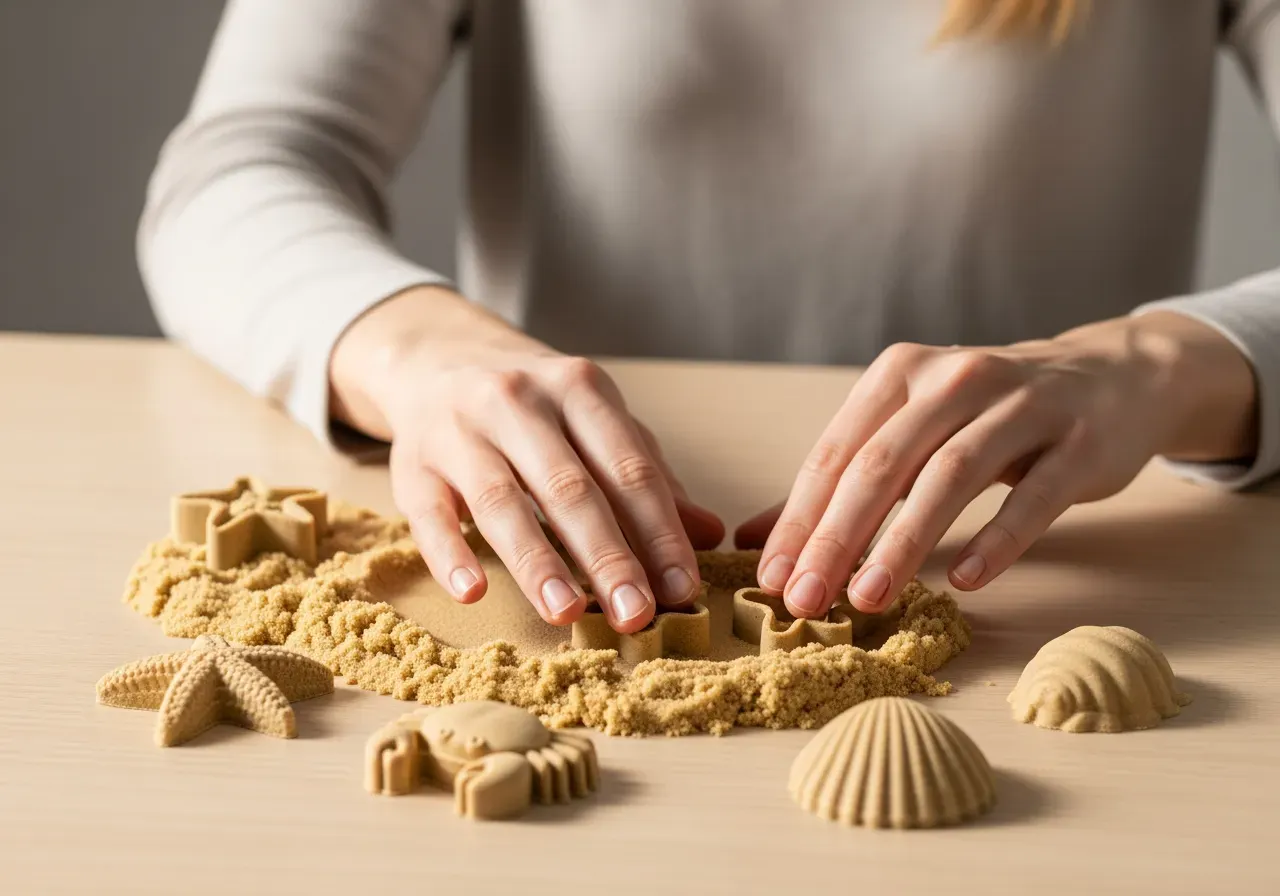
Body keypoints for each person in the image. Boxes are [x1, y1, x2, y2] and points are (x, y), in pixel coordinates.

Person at [139, 0, 1277, 638]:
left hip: (1039, 596)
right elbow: (238, 166)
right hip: (570, 580)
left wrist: (1161, 365)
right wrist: (428, 355)